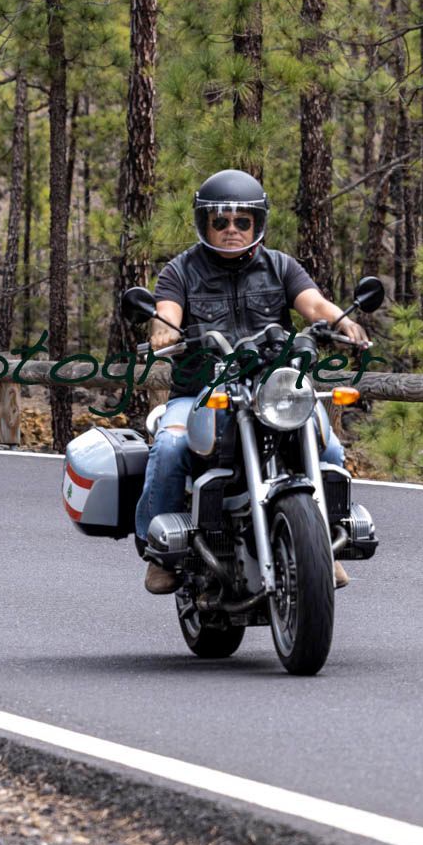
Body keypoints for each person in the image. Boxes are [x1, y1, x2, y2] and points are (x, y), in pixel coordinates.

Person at [133, 169, 370, 594]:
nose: (231, 230)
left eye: (242, 221)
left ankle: (323, 545)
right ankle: (159, 554)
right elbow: (167, 311)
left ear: (256, 223)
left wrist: (339, 319)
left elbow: (312, 302)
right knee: (169, 446)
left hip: (270, 389)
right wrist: (164, 330)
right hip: (203, 392)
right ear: (204, 223)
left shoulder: (280, 266)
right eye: (220, 221)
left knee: (328, 444)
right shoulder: (180, 271)